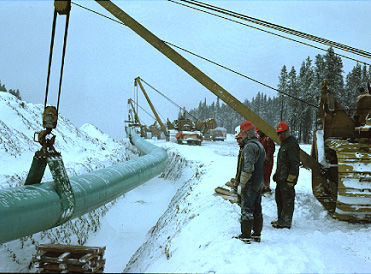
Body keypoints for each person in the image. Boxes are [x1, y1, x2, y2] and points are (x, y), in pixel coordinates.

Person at [235, 121, 265, 242]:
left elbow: (248, 168)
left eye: (242, 133)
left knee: (246, 208)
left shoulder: (249, 147)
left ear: (246, 133)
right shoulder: (259, 145)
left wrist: (242, 184)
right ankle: (256, 234)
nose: (241, 135)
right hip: (259, 182)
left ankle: (246, 235)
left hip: (250, 183)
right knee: (257, 208)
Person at [272, 122, 300, 229]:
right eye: (279, 134)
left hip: (287, 180)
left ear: (287, 132)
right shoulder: (285, 144)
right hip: (281, 179)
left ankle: (285, 222)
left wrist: (291, 179)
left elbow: (294, 163)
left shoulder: (292, 145)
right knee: (279, 199)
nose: (280, 136)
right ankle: (281, 219)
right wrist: (277, 174)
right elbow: (283, 162)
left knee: (287, 201)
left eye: (282, 133)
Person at [256, 128, 275, 194]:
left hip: (267, 160)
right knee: (261, 174)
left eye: (259, 131)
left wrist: (267, 158)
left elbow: (271, 149)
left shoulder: (267, 139)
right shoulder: (259, 139)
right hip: (261, 159)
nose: (258, 133)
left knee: (266, 174)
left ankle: (266, 187)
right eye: (257, 132)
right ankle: (263, 186)